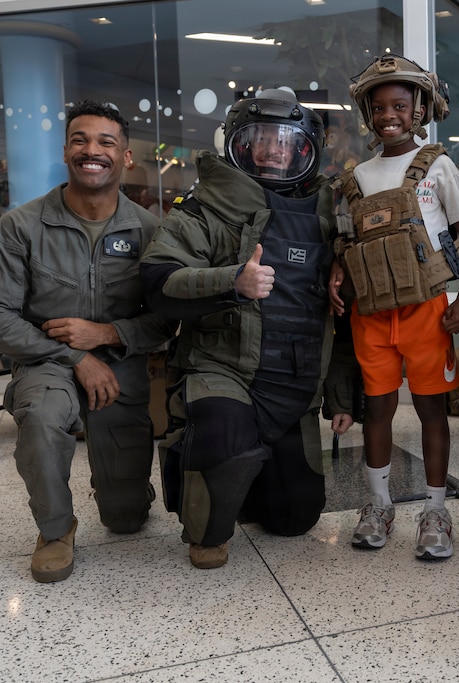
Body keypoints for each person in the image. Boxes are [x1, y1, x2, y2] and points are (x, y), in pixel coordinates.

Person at [0, 100, 177, 583]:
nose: (92, 150)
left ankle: (124, 492)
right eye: (80, 139)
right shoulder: (20, 227)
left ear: (125, 157)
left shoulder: (151, 232)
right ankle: (56, 529)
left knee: (125, 521)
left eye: (106, 142)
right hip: (46, 360)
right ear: (65, 151)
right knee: (41, 418)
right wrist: (75, 354)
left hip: (121, 360)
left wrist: (107, 335)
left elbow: (168, 319)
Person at [141, 88, 338, 570]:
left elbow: (340, 311)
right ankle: (211, 509)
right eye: (262, 138)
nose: (274, 149)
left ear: (303, 150)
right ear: (239, 145)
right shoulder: (205, 209)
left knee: (296, 519)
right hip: (221, 369)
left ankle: (251, 477)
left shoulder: (329, 213)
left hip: (294, 381)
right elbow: (154, 282)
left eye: (285, 141)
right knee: (221, 455)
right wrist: (232, 280)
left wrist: (344, 394)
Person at [329, 54, 459, 560]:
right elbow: (348, 240)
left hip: (427, 308)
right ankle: (379, 503)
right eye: (379, 106)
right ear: (368, 114)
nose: (389, 114)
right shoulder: (356, 176)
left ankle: (436, 509)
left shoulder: (437, 165)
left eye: (399, 104)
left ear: (419, 109)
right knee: (379, 408)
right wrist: (337, 271)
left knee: (433, 407)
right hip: (372, 313)